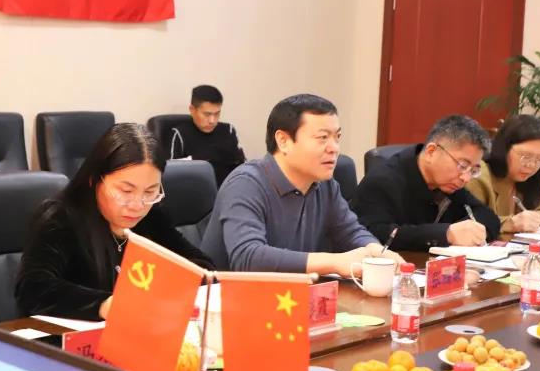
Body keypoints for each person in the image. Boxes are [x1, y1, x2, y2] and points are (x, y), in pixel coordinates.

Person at [15, 123, 214, 320]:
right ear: (94, 180)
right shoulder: (60, 218)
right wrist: (104, 305)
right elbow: (33, 289)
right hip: (70, 336)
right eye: (126, 191)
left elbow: (202, 268)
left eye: (150, 192)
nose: (137, 205)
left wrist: (162, 288)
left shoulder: (150, 217)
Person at [200, 94, 398, 273]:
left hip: (293, 295)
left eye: (337, 137)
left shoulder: (325, 185)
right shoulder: (246, 184)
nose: (334, 148)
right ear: (283, 141)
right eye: (323, 138)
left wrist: (374, 250)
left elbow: (350, 232)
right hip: (228, 297)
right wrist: (334, 262)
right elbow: (249, 257)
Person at [352, 115, 501, 251]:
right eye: (462, 165)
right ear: (431, 151)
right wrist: (445, 234)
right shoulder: (382, 180)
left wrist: (470, 231)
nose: (466, 178)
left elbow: (488, 216)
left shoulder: (449, 184)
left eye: (473, 170)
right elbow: (374, 235)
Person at [466, 114, 540, 239]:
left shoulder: (530, 179)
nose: (531, 165)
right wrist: (510, 223)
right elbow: (469, 222)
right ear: (504, 149)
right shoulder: (478, 176)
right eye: (525, 157)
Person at [168, 84, 246, 186]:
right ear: (192, 110)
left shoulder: (228, 131)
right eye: (207, 114)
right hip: (195, 191)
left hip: (228, 190)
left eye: (217, 114)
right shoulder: (180, 134)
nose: (212, 121)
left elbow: (243, 168)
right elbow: (170, 175)